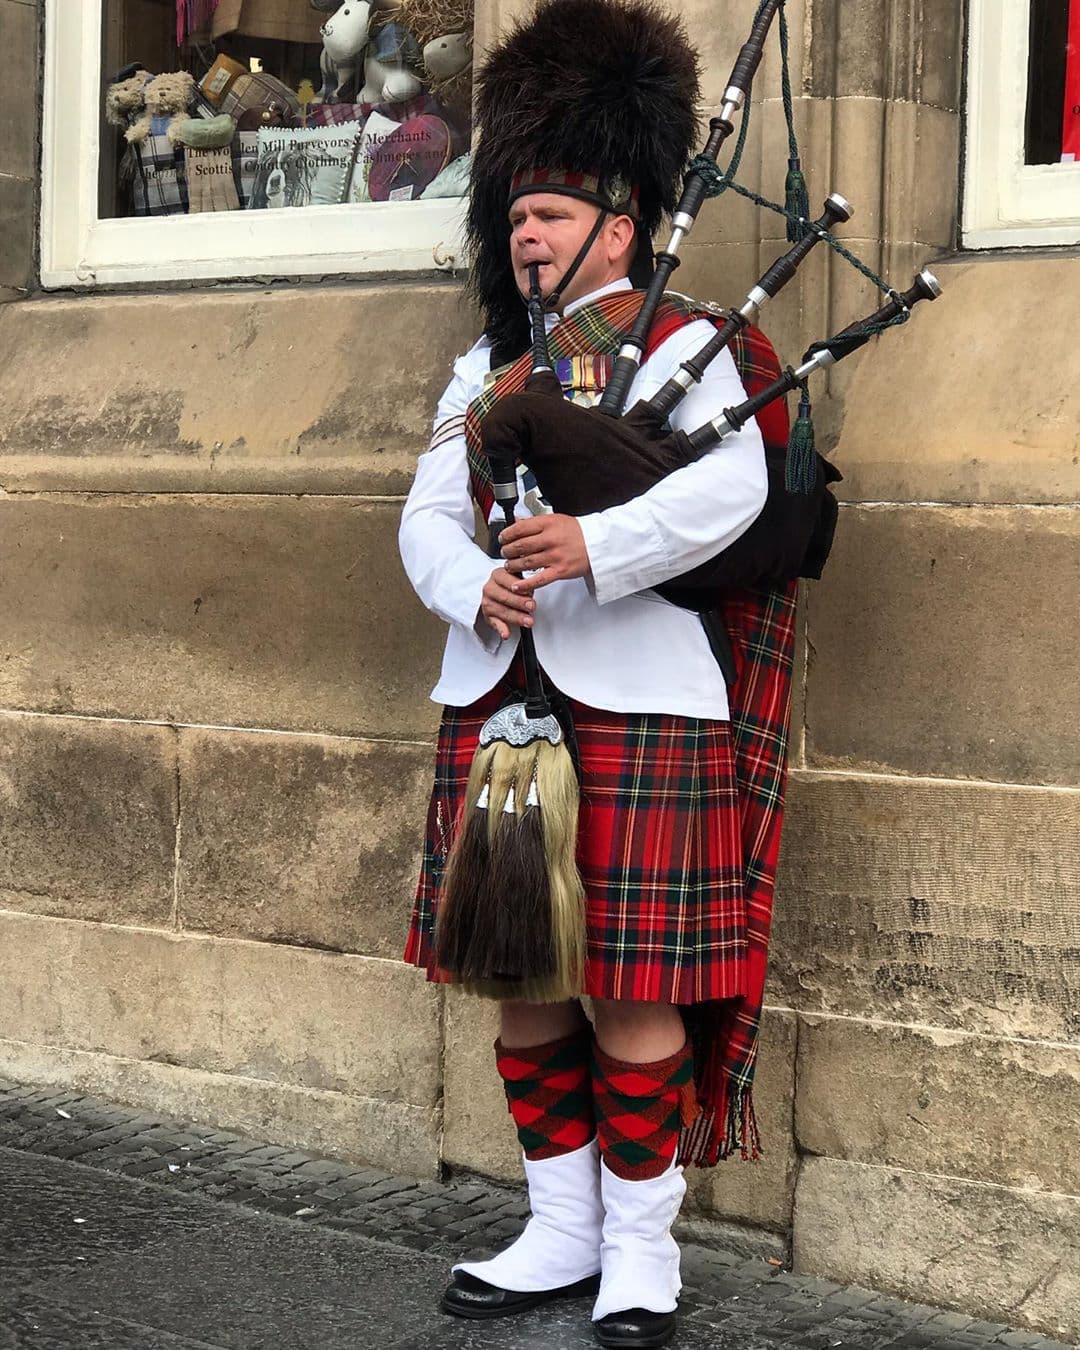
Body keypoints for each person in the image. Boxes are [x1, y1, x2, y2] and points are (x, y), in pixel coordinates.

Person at [399, 2, 797, 1346]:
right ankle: (556, 1224)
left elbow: (734, 497)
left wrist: (591, 545)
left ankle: (640, 1250)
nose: (525, 233)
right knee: (526, 973)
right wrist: (480, 583)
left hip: (639, 697)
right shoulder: (482, 369)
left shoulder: (695, 354)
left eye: (553, 215)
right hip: (501, 699)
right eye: (514, 214)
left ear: (621, 227)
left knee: (632, 985)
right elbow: (420, 522)